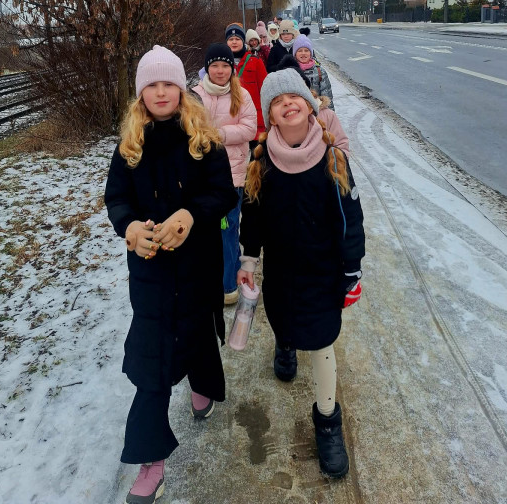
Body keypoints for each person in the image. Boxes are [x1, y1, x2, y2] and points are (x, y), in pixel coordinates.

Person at [104, 45, 238, 504]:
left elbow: (224, 194)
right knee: (152, 361)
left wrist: (191, 215)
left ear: (182, 89)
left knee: (197, 329)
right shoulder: (129, 147)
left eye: (169, 84)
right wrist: (130, 228)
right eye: (152, 85)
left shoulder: (204, 139)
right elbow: (116, 199)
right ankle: (151, 463)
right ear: (141, 94)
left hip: (196, 263)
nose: (161, 92)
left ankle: (203, 385)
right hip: (150, 274)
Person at [238, 66, 365, 480]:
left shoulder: (332, 159)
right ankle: (284, 344)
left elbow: (351, 219)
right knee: (283, 319)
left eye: (293, 97)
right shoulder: (263, 163)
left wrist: (352, 270)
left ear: (309, 106)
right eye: (276, 101)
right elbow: (252, 218)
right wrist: (248, 260)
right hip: (282, 273)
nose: (287, 104)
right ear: (270, 116)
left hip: (323, 274)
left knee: (323, 343)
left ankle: (327, 421)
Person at [193, 43, 257, 305]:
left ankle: (228, 284)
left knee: (227, 229)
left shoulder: (242, 95)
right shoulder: (194, 96)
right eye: (215, 65)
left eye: (225, 65)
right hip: (200, 177)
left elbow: (249, 129)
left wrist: (218, 136)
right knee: (202, 232)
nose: (220, 71)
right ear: (207, 68)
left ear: (232, 68)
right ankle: (205, 281)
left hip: (233, 176)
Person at [225, 22, 268, 142]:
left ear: (243, 41)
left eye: (237, 39)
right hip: (231, 120)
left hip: (255, 121)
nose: (234, 42)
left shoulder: (255, 61)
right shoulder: (222, 65)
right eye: (231, 39)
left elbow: (265, 90)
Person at [292, 34, 335, 110]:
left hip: (317, 111)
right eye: (300, 51)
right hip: (298, 113)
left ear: (311, 53)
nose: (303, 53)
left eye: (306, 50)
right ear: (295, 54)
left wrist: (330, 116)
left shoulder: (320, 71)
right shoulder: (291, 72)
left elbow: (327, 96)